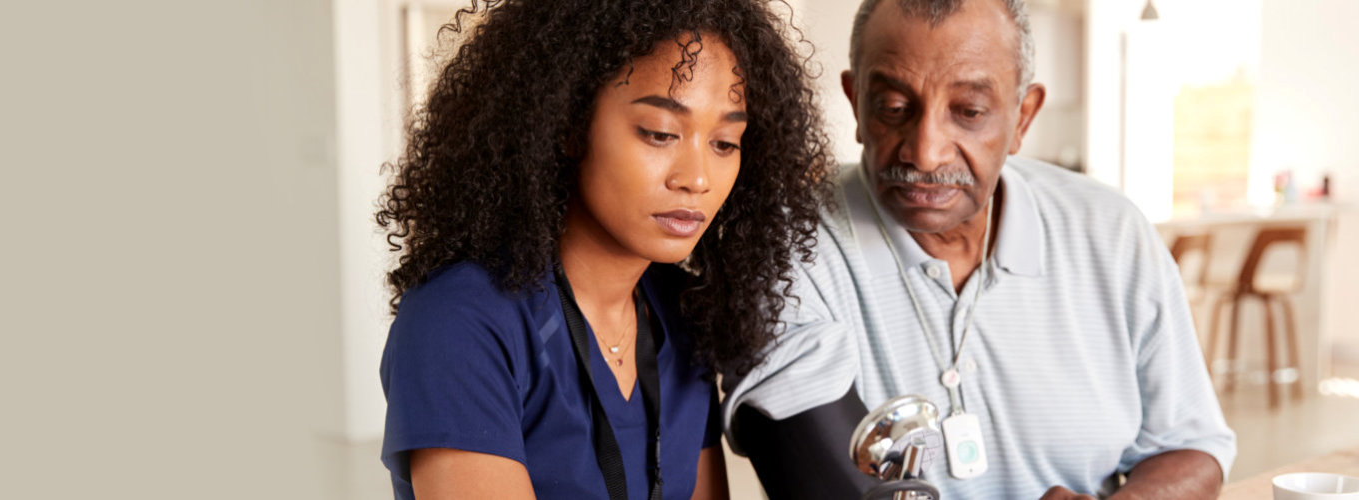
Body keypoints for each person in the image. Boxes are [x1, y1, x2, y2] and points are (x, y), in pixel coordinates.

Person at [721, 0, 1236, 499]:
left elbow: (1191, 449)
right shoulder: (783, 244)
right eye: (894, 108)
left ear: (1023, 117)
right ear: (856, 103)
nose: (926, 151)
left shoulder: (1113, 233)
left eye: (968, 112)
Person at [375, 0, 832, 498]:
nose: (697, 178)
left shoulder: (680, 315)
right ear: (568, 125)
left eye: (725, 143)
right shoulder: (459, 323)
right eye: (660, 134)